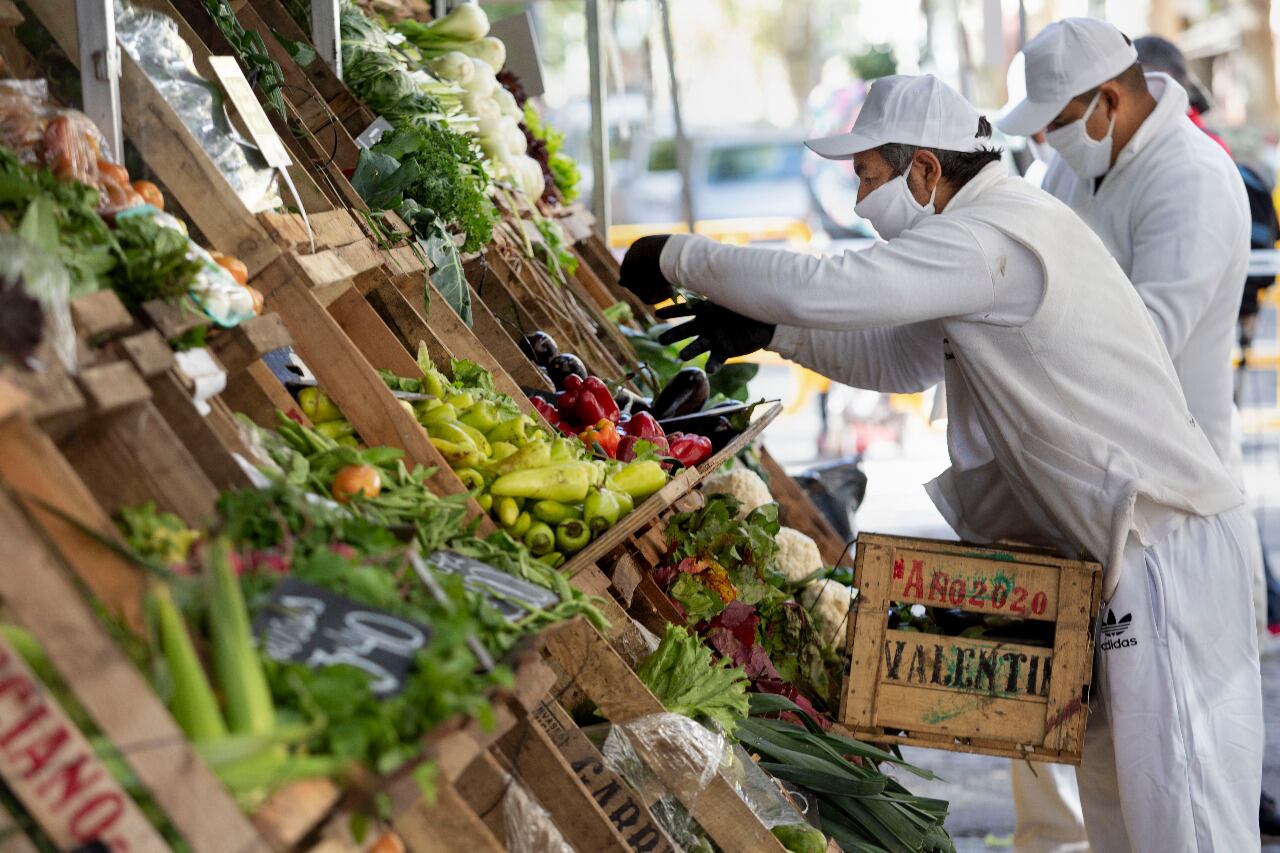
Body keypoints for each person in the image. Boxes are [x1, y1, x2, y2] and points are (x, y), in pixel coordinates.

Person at [619, 73, 1263, 853]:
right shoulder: (986, 232)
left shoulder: (991, 234)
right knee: (1125, 817)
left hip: (1163, 549)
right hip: (1122, 555)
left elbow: (834, 284)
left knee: (1183, 820)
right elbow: (903, 358)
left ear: (925, 169)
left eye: (868, 177)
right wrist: (775, 335)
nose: (861, 201)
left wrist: (679, 255)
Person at [1000, 18, 1274, 846]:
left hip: (1178, 522)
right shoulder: (1070, 168)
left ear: (1109, 101)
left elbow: (1144, 344)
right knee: (1112, 777)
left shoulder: (1192, 179)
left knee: (1188, 787)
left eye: (1057, 121)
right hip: (1097, 514)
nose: (1046, 141)